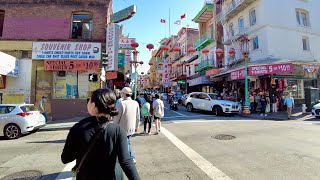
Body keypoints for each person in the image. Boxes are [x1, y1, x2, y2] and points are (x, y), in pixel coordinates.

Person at [61, 89, 140, 180]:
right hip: (112, 176)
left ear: (93, 105)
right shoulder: (117, 130)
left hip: (86, 176)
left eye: (89, 100)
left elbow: (65, 158)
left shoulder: (78, 128)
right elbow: (126, 162)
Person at [113, 87, 140, 163]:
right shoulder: (135, 103)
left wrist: (114, 126)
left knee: (125, 143)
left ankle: (130, 157)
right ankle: (129, 157)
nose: (121, 94)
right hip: (132, 128)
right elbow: (138, 116)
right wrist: (137, 126)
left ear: (124, 94)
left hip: (122, 128)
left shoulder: (121, 103)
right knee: (127, 141)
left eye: (122, 93)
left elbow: (116, 117)